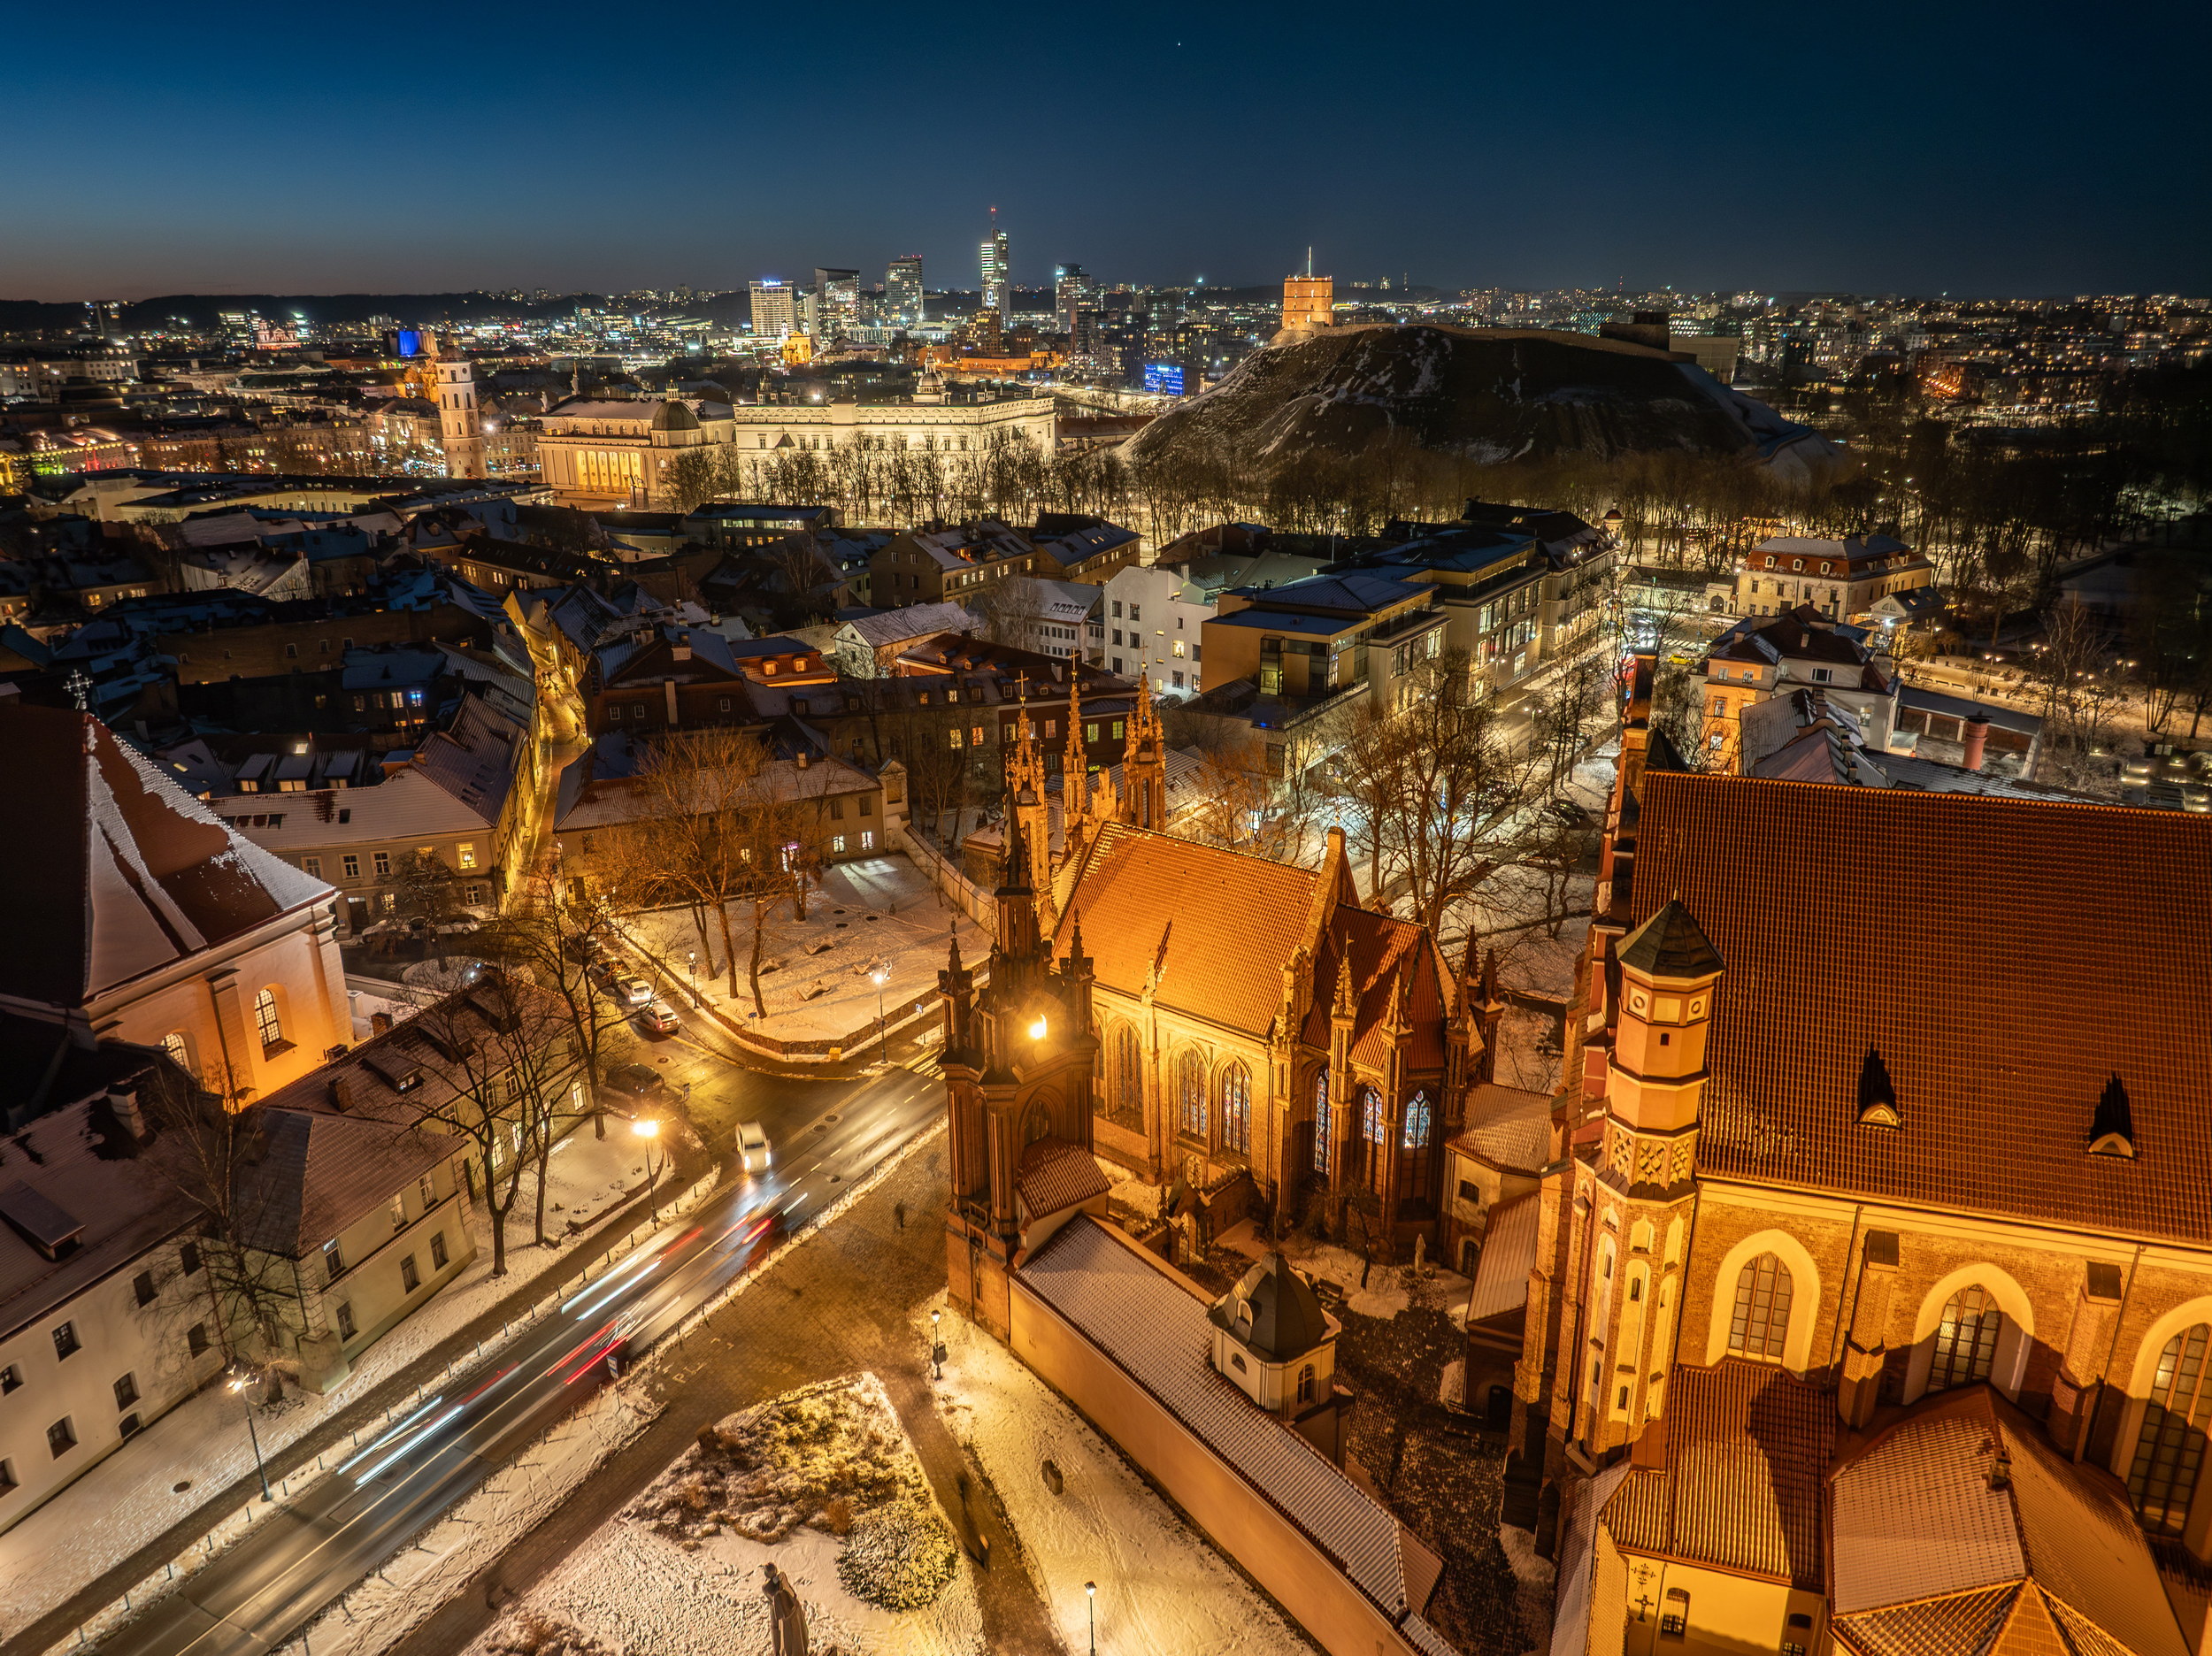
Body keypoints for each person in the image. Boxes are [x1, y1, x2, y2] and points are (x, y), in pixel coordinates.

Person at [763, 1561, 809, 1655]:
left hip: (786, 1613)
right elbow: (790, 1593)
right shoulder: (769, 1586)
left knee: (790, 1636)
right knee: (788, 1635)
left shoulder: (771, 1585)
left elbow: (791, 1593)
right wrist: (778, 1582)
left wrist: (780, 1581)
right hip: (785, 1612)